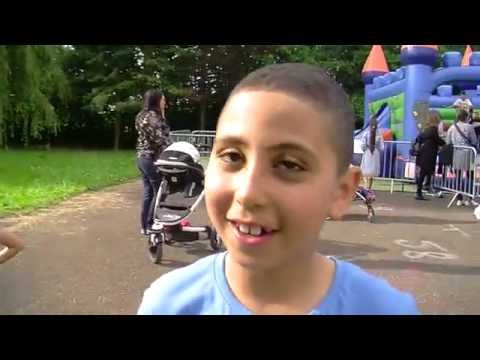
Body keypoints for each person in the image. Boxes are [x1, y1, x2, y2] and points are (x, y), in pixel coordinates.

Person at [137, 63, 419, 315]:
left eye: (288, 164)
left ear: (341, 192)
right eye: (233, 156)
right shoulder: (168, 305)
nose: (247, 193)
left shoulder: (385, 309)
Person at [135, 89, 172, 235]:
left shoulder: (142, 115)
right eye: (163, 99)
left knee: (148, 192)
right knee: (160, 191)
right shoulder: (153, 118)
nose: (165, 102)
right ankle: (152, 223)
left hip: (142, 158)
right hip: (151, 158)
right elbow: (161, 139)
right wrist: (174, 149)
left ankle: (145, 225)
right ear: (157, 100)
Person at [446, 110, 478, 207]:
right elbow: (474, 141)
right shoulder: (469, 127)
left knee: (458, 176)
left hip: (456, 154)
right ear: (466, 117)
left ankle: (459, 198)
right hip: (469, 154)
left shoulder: (452, 127)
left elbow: (448, 141)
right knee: (470, 175)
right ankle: (469, 198)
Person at [414, 111, 445, 200]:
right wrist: (444, 143)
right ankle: (419, 192)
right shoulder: (433, 129)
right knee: (424, 173)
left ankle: (420, 191)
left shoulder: (426, 129)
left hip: (423, 153)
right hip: (429, 154)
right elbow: (437, 140)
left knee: (423, 173)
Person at [360, 115, 384, 189]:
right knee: (370, 170)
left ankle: (368, 187)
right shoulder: (377, 134)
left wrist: (366, 148)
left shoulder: (367, 134)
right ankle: (368, 187)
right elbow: (382, 147)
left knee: (368, 170)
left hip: (369, 152)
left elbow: (363, 145)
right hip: (372, 153)